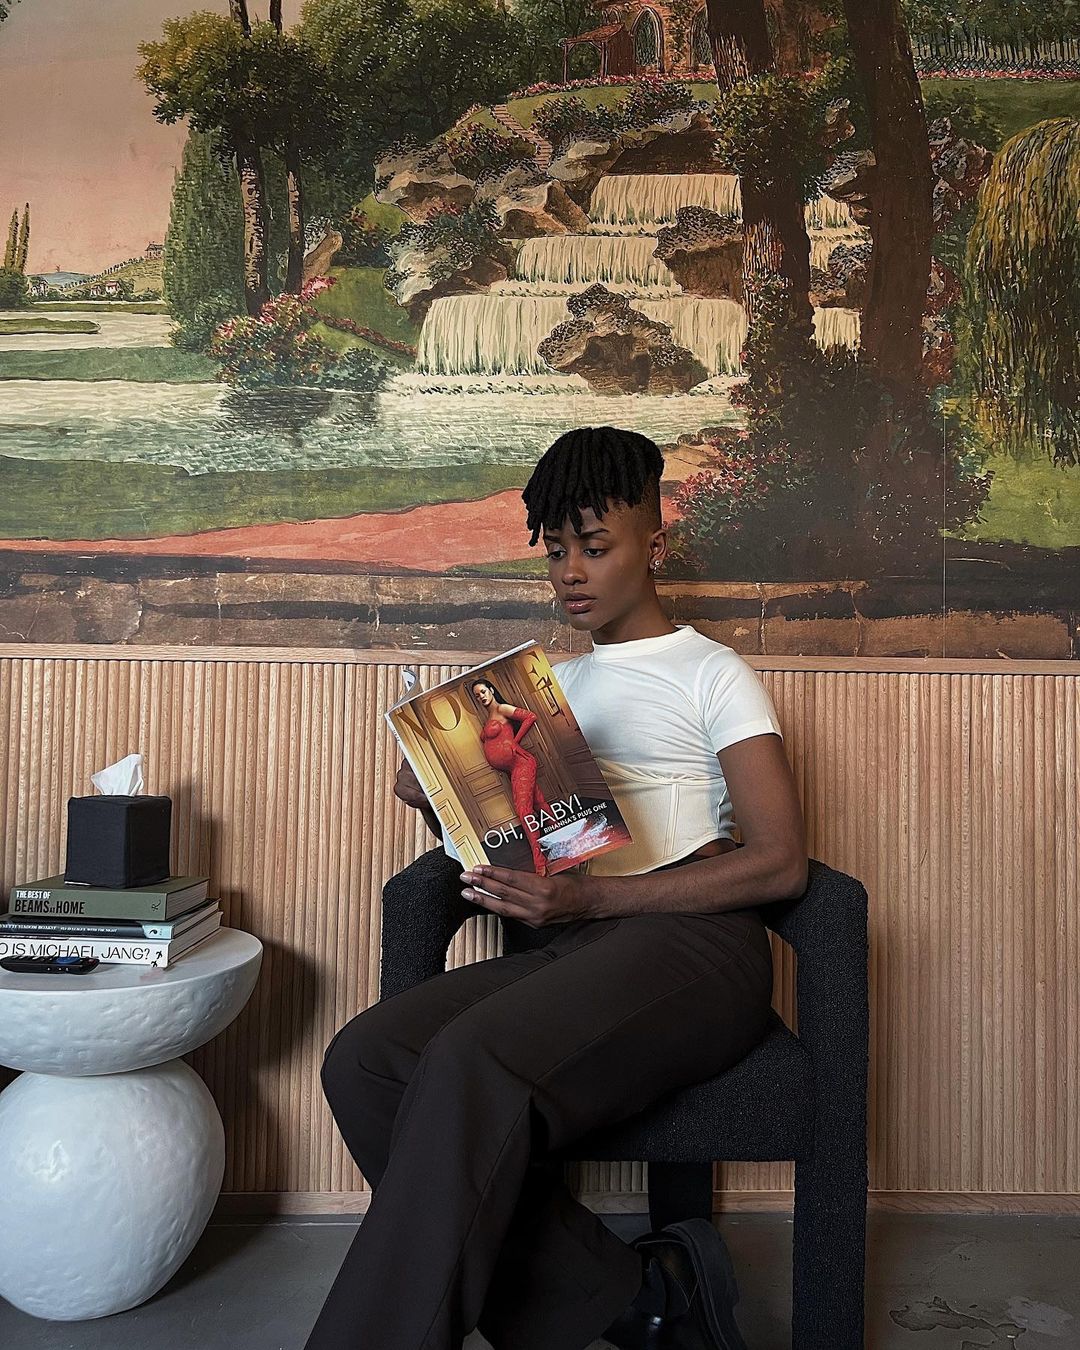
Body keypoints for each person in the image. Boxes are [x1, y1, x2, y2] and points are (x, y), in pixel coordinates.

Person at [306, 426, 808, 1350]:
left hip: (698, 944)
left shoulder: (712, 671)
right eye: (555, 552)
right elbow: (531, 850)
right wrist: (441, 802)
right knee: (367, 1060)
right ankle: (644, 1302)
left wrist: (598, 903)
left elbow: (781, 861)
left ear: (654, 546)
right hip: (582, 944)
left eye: (595, 546)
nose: (570, 572)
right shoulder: (544, 690)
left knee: (467, 1061)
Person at [470, 678, 554, 876]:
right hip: (511, 768)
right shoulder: (490, 716)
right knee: (539, 803)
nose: (481, 697)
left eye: (483, 691)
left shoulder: (502, 709)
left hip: (521, 763)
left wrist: (515, 742)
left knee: (524, 811)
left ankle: (539, 860)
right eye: (477, 695)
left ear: (491, 690)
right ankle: (567, 839)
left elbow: (530, 716)